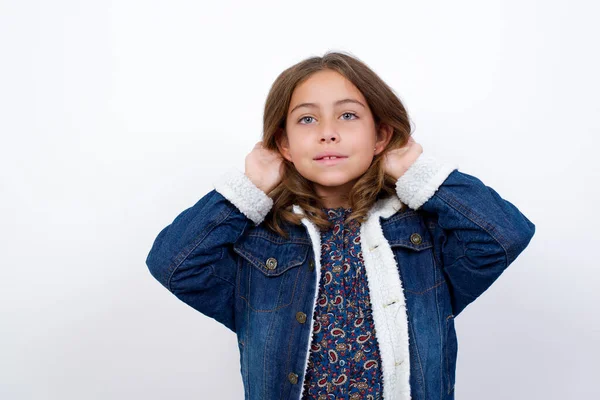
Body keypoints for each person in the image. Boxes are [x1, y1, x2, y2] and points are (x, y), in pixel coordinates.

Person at [145, 51, 536, 400]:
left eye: (348, 115)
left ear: (381, 135)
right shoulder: (261, 243)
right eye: (307, 119)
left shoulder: (423, 234)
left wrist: (417, 173)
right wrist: (247, 189)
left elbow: (504, 236)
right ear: (284, 144)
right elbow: (173, 264)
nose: (327, 132)